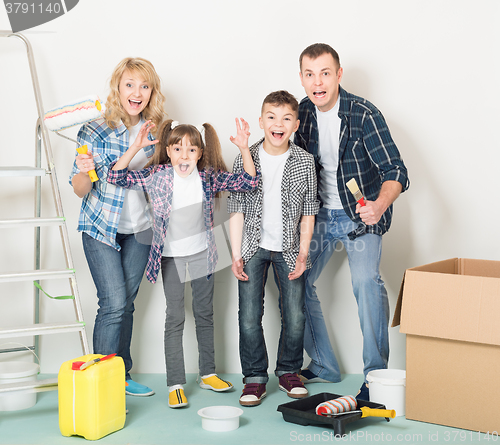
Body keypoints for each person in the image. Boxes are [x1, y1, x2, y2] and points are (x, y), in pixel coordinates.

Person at [107, 118, 259, 408]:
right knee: (174, 317)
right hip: (171, 257)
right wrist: (136, 146)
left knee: (205, 314)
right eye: (178, 149)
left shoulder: (208, 177)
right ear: (168, 152)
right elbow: (116, 177)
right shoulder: (158, 175)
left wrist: (243, 149)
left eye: (191, 150)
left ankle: (208, 373)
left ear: (200, 154)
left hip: (204, 253)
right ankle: (175, 382)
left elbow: (249, 183)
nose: (184, 155)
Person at [294, 43, 409, 400]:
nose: (318, 82)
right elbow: (278, 154)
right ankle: (324, 365)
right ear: (302, 78)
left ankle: (376, 376)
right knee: (295, 280)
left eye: (325, 73)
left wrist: (378, 204)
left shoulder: (363, 114)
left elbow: (397, 172)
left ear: (338, 75)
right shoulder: (300, 114)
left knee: (365, 281)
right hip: (320, 214)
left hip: (361, 213)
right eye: (310, 75)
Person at [70, 57, 165, 397]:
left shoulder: (157, 132)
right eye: (129, 84)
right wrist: (83, 169)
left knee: (127, 303)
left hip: (141, 230)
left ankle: (121, 374)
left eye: (144, 86)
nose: (136, 92)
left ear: (152, 92)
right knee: (112, 302)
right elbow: (81, 189)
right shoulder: (93, 130)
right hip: (100, 228)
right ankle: (100, 384)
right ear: (118, 88)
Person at [228, 90, 320, 407]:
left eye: (285, 118)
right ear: (261, 121)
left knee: (294, 315)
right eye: (271, 117)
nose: (277, 124)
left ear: (295, 124)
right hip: (253, 247)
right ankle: (254, 378)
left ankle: (288, 372)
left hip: (290, 248)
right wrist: (236, 252)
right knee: (249, 316)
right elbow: (236, 207)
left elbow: (309, 209)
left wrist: (304, 251)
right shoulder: (246, 156)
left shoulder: (305, 162)